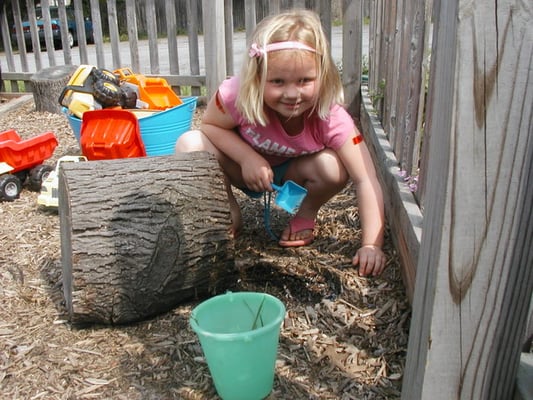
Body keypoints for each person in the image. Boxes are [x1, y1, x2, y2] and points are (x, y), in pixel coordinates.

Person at [175, 10, 387, 276]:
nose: (291, 94)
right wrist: (247, 157)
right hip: (239, 168)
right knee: (189, 143)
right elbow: (209, 127)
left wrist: (371, 244)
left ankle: (305, 214)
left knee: (332, 167)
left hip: (290, 175)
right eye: (277, 81)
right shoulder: (235, 95)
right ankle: (225, 208)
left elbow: (366, 179)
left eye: (304, 81)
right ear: (258, 76)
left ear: (323, 75)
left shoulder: (332, 117)